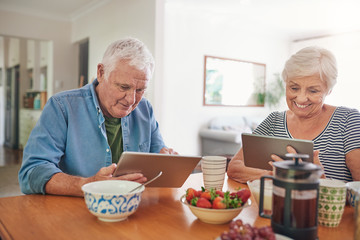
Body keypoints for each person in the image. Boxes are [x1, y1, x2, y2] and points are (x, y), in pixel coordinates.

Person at [19, 37, 176, 196]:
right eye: (123, 87)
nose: (131, 100)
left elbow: (159, 158)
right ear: (101, 73)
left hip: (132, 209)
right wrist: (87, 185)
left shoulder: (145, 109)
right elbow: (32, 172)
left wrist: (167, 162)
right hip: (73, 211)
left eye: (140, 90)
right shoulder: (61, 107)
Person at [227, 46, 360, 183]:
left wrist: (320, 183)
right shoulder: (273, 121)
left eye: (313, 91)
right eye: (294, 88)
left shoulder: (348, 120)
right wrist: (276, 175)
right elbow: (234, 167)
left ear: (329, 90)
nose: (301, 98)